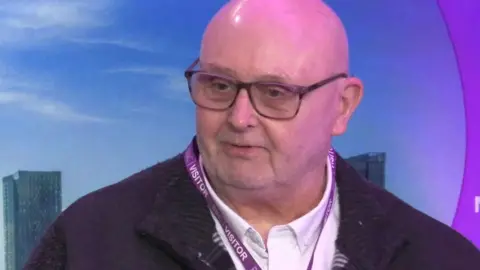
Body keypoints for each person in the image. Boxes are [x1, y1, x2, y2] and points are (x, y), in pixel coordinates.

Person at [25, 0, 480, 269]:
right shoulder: (89, 241)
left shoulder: (440, 257)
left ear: (342, 106)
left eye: (275, 92)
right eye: (219, 86)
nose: (240, 118)